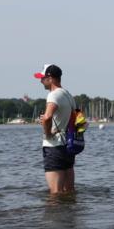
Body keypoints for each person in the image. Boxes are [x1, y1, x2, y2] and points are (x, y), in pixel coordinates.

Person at [35, 64, 77, 194]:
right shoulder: (68, 95)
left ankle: (55, 214)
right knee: (68, 191)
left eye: (43, 78)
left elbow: (47, 118)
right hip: (68, 146)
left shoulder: (53, 95)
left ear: (50, 78)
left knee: (55, 193)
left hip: (54, 147)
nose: (41, 81)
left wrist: (47, 134)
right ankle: (70, 214)